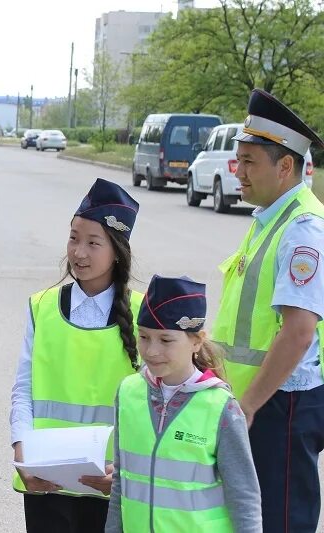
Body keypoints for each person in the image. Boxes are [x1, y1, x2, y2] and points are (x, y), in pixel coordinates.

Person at [211, 89, 324, 532]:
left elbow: (298, 332)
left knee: (280, 521)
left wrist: (250, 406)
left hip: (281, 404)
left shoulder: (302, 230)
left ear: (284, 166)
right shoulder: (270, 219)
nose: (237, 172)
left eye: (248, 161)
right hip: (258, 401)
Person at [10, 178, 143, 533]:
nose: (79, 252)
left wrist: (128, 473)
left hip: (113, 488)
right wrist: (21, 451)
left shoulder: (143, 314)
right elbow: (23, 389)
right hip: (47, 482)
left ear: (117, 250)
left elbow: (156, 408)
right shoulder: (42, 307)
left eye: (93, 243)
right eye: (73, 238)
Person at [105, 275, 262, 532]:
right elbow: (121, 483)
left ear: (197, 340)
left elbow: (243, 496)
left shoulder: (221, 406)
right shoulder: (128, 393)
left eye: (166, 340)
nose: (152, 351)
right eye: (144, 337)